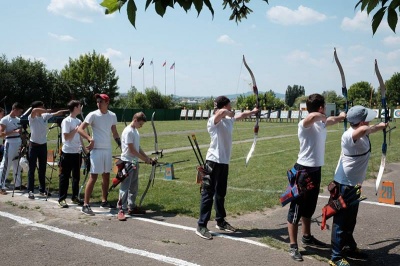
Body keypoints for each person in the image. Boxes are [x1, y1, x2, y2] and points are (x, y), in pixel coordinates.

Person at [287, 93, 346, 261]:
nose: (325, 110)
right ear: (321, 108)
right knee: (296, 210)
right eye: (324, 107)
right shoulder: (304, 124)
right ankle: (293, 246)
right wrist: (322, 115)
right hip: (302, 172)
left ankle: (307, 236)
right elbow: (312, 117)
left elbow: (334, 120)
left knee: (309, 207)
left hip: (315, 171)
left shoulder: (321, 123)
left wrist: (342, 116)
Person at [328, 106, 387, 266]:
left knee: (350, 220)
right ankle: (336, 257)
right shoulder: (349, 135)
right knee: (341, 222)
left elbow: (364, 131)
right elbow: (361, 131)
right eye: (366, 119)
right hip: (344, 186)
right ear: (361, 122)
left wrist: (374, 127)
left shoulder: (360, 132)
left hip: (353, 186)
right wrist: (377, 127)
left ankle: (349, 247)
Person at [196, 96, 258, 240]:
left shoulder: (229, 119)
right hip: (213, 161)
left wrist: (253, 112)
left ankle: (220, 221)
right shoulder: (213, 120)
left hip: (224, 162)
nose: (231, 108)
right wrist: (227, 112)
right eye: (229, 106)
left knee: (220, 193)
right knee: (208, 193)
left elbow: (241, 115)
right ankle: (201, 225)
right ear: (224, 106)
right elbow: (220, 114)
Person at [78, 93, 120, 216]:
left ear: (107, 103)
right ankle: (85, 204)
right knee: (94, 176)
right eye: (97, 101)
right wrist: (89, 139)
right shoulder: (92, 115)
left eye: (101, 101)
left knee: (106, 175)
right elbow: (80, 129)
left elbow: (114, 132)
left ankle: (104, 201)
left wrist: (120, 143)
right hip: (96, 150)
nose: (98, 103)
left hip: (107, 149)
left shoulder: (112, 115)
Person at [116, 112, 153, 221]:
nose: (141, 126)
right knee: (125, 187)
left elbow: (138, 147)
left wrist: (147, 158)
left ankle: (131, 207)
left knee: (134, 186)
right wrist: (144, 159)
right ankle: (121, 209)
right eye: (140, 124)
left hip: (134, 162)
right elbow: (132, 150)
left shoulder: (135, 131)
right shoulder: (128, 131)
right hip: (127, 162)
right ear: (135, 120)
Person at [27, 101, 68, 199]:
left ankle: (42, 190)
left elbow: (56, 113)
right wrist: (46, 110)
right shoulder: (32, 117)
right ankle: (30, 190)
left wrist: (66, 110)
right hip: (33, 146)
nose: (43, 108)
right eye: (42, 107)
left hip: (42, 146)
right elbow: (34, 110)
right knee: (31, 169)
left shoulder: (44, 116)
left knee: (42, 169)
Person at [58, 100, 88, 208]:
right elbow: (66, 137)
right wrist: (76, 129)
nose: (81, 108)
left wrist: (85, 150)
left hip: (77, 153)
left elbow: (80, 138)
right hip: (67, 153)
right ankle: (62, 198)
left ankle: (75, 196)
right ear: (75, 107)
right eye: (79, 106)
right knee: (65, 176)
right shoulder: (67, 121)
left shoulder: (79, 120)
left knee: (76, 176)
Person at [0, 103, 24, 194]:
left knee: (17, 164)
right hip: (10, 142)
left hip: (18, 142)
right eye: (19, 111)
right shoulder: (5, 119)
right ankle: (1, 185)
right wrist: (13, 132)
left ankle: (18, 184)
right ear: (14, 109)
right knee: (6, 164)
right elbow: (1, 134)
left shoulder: (18, 119)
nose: (19, 113)